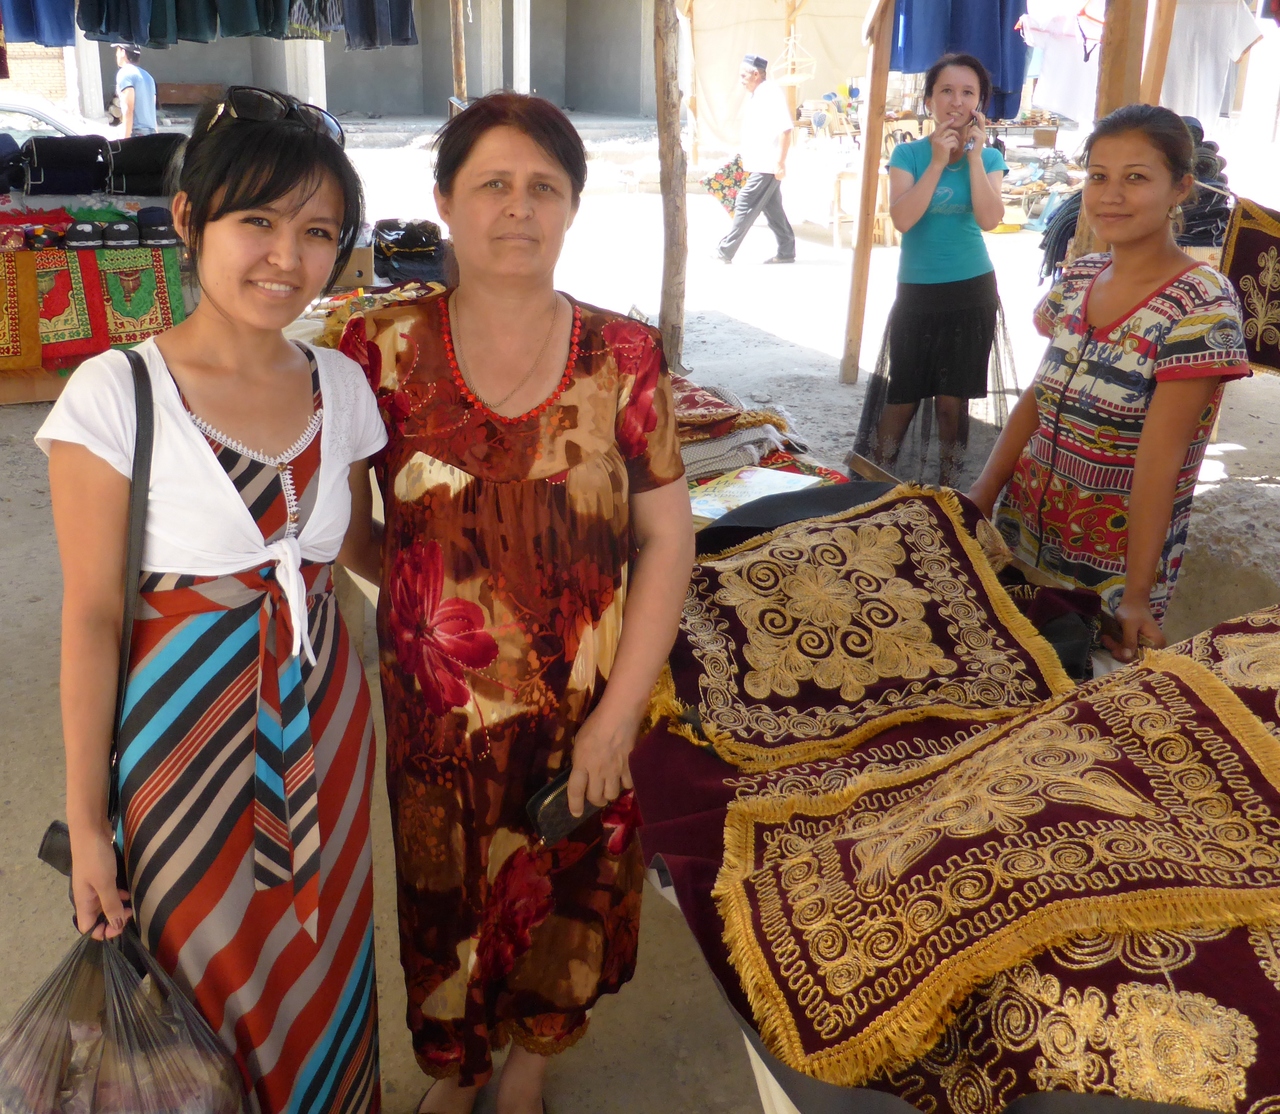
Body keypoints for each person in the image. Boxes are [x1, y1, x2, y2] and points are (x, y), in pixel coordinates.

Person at [337, 92, 695, 1114]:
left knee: (572, 891)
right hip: (437, 718)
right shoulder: (378, 349)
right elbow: (348, 530)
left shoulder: (622, 356)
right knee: (440, 899)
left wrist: (617, 714)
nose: (517, 206)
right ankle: (457, 1075)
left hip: (587, 708)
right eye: (491, 183)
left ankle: (528, 1071)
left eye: (544, 187)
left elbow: (667, 538)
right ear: (445, 200)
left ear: (572, 207)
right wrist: (430, 611)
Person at [37, 88, 385, 1112]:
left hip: (326, 728)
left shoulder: (342, 387)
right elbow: (93, 618)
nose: (287, 257)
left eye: (317, 231)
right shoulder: (114, 396)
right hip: (179, 747)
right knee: (195, 985)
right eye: (258, 221)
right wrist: (87, 823)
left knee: (326, 964)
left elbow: (362, 553)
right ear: (189, 218)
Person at [969, 103, 1250, 662]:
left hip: (1113, 567)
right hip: (1021, 529)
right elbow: (1039, 397)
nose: (1110, 195)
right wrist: (983, 490)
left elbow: (1161, 462)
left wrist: (1137, 596)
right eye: (1098, 176)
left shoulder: (1202, 305)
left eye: (1136, 178)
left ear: (1180, 188)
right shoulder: (1078, 277)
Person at [853, 53, 1009, 486]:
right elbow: (903, 220)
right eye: (946, 91)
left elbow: (990, 219)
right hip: (918, 292)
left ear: (979, 104)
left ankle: (948, 496)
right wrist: (939, 161)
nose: (956, 101)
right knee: (901, 397)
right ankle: (872, 491)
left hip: (972, 291)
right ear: (928, 101)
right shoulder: (908, 154)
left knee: (952, 406)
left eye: (967, 93)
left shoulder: (990, 160)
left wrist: (973, 159)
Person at [717, 54, 796, 264]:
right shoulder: (758, 94)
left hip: (768, 165)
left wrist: (780, 163)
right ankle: (787, 251)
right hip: (760, 163)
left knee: (745, 201)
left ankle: (725, 251)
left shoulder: (770, 92)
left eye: (743, 76)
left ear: (755, 74)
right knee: (773, 208)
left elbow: (786, 129)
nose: (741, 80)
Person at [114, 44, 157, 137]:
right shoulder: (148, 77)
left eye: (117, 51)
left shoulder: (124, 73)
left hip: (137, 133)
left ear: (123, 52)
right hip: (152, 132)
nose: (116, 55)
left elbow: (128, 108)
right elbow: (152, 110)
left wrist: (126, 138)